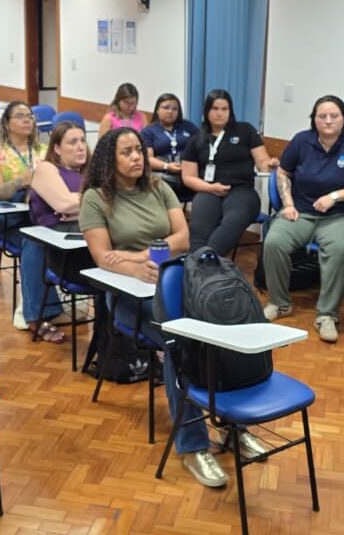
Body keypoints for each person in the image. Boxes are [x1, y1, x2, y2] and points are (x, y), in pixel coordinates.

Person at [79, 127, 266, 488]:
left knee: (216, 336)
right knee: (179, 344)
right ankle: (194, 445)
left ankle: (232, 426)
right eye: (127, 152)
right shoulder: (95, 198)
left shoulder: (160, 187)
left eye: (139, 150)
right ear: (109, 160)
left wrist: (135, 256)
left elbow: (183, 239)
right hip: (127, 298)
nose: (137, 157)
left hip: (173, 287)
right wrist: (137, 266)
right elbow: (103, 258)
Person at [262, 96, 344, 342]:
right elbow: (283, 172)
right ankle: (280, 304)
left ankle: (326, 315)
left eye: (334, 115)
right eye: (322, 116)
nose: (328, 120)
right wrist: (288, 205)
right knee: (273, 242)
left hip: (339, 216)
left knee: (342, 248)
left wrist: (334, 196)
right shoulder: (302, 140)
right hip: (301, 212)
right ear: (314, 119)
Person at [0, 100, 60, 331]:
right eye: (21, 116)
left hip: (45, 216)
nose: (28, 120)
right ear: (7, 123)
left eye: (30, 116)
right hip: (13, 221)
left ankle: (62, 303)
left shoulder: (44, 151)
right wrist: (21, 181)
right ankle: (36, 316)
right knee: (35, 242)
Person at [181, 89, 279, 255]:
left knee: (232, 223)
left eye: (224, 109)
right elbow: (188, 177)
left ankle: (202, 262)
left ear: (230, 110)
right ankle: (198, 266)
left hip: (242, 191)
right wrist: (210, 188)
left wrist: (270, 165)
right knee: (199, 229)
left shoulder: (245, 131)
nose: (220, 113)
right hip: (208, 190)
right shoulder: (196, 140)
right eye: (215, 109)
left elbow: (262, 162)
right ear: (207, 111)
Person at [25, 121, 91, 343]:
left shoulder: (90, 172)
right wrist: (93, 203)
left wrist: (78, 208)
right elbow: (63, 205)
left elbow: (113, 202)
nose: (81, 146)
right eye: (73, 142)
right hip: (58, 243)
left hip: (87, 235)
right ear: (57, 148)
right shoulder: (47, 168)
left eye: (83, 140)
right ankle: (38, 316)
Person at [140, 93, 199, 203]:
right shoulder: (148, 131)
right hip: (163, 173)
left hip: (188, 171)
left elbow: (201, 147)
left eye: (174, 109)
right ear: (157, 110)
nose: (170, 111)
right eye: (166, 107)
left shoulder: (188, 127)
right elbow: (147, 158)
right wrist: (167, 166)